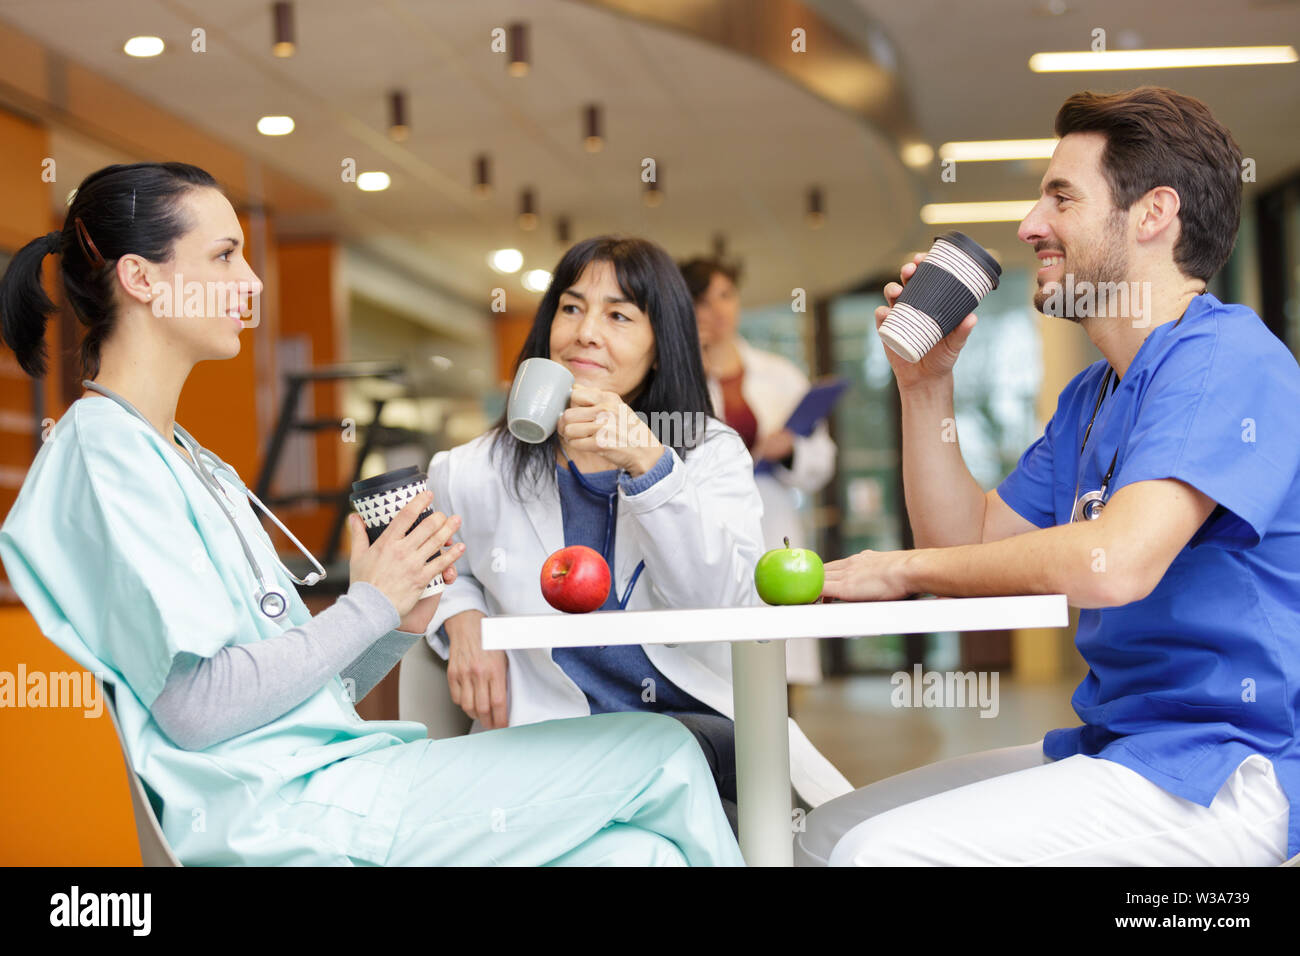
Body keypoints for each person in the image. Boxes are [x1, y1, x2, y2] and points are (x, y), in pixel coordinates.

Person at [0, 162, 744, 866]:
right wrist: (369, 603)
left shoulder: (194, 461)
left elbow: (301, 692)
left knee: (636, 856)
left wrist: (399, 618)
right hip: (276, 809)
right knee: (666, 753)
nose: (251, 281)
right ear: (142, 279)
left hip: (330, 775)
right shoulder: (106, 456)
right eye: (225, 256)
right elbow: (197, 710)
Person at [797, 87, 1300, 866]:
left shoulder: (1226, 359)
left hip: (1229, 770)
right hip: (1121, 747)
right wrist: (924, 384)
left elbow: (1118, 561)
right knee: (825, 834)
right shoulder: (1092, 398)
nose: (1031, 225)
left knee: (881, 855)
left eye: (1060, 197)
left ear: (1153, 213)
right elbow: (962, 545)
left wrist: (897, 569)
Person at [422, 236, 853, 830]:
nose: (586, 332)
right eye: (571, 308)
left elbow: (721, 602)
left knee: (658, 764)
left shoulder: (708, 454)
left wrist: (651, 467)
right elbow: (434, 564)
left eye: (619, 315)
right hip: (548, 734)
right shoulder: (476, 466)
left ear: (661, 345)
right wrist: (462, 619)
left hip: (693, 725)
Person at [678, 257, 837, 695]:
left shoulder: (778, 373)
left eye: (726, 296)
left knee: (778, 668)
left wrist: (790, 452)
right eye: (703, 301)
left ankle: (780, 755)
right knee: (714, 669)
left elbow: (822, 462)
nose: (717, 310)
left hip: (771, 523)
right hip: (703, 525)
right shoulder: (670, 377)